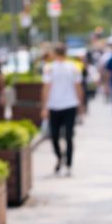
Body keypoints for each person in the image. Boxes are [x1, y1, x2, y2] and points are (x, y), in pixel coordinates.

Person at [40, 43, 84, 176]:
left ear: (54, 53)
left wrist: (44, 106)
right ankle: (66, 162)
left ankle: (63, 160)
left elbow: (46, 88)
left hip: (62, 105)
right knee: (68, 136)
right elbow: (78, 87)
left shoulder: (52, 68)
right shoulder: (66, 67)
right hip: (65, 105)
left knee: (56, 136)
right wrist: (81, 104)